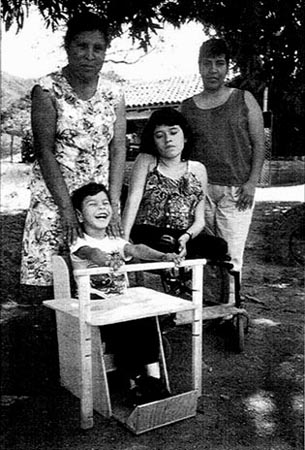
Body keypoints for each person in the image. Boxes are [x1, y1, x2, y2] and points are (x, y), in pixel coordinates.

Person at [20, 12, 127, 304]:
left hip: (95, 203)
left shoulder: (114, 93)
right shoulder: (46, 90)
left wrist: (113, 204)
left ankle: (95, 346)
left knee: (101, 275)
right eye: (81, 46)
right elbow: (44, 151)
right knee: (50, 281)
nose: (89, 55)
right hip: (55, 200)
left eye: (98, 48)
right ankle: (54, 345)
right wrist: (67, 210)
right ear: (67, 47)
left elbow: (118, 149)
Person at [70, 182, 179, 404]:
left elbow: (136, 249)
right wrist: (108, 260)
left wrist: (163, 257)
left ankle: (155, 380)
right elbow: (92, 253)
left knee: (147, 317)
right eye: (93, 204)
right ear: (80, 215)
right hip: (95, 306)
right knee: (125, 321)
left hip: (120, 304)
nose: (101, 208)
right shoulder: (79, 241)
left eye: (105, 203)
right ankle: (134, 381)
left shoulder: (116, 241)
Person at [181, 38, 265, 303]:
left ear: (227, 67)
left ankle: (231, 308)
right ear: (199, 67)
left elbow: (259, 143)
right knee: (203, 253)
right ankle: (207, 307)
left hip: (236, 191)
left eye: (219, 63)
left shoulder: (244, 99)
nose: (213, 70)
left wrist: (252, 182)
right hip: (199, 193)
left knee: (231, 253)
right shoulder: (188, 107)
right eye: (207, 64)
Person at [122, 107, 228, 266]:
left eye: (173, 132)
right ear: (153, 141)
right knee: (165, 244)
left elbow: (200, 221)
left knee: (219, 246)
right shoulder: (146, 161)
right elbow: (132, 201)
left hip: (182, 234)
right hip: (149, 233)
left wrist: (185, 238)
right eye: (160, 135)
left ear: (185, 137)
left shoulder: (198, 169)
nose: (168, 139)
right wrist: (123, 241)